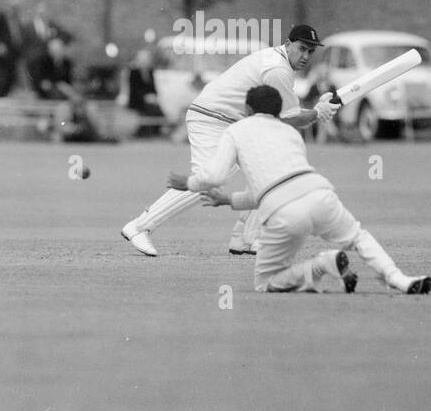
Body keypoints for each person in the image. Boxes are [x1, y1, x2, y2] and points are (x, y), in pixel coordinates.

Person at [168, 85, 431, 294]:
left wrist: (188, 183)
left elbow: (215, 176)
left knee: (266, 283)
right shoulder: (290, 133)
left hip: (283, 212)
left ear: (247, 108)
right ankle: (400, 279)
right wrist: (228, 201)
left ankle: (324, 264)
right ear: (279, 110)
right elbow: (279, 184)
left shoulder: (235, 131)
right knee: (359, 237)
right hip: (319, 194)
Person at [120, 24, 338, 258]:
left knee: (270, 172)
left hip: (231, 123)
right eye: (302, 49)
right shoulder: (278, 69)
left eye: (310, 52)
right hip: (210, 118)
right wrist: (318, 112)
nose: (305, 56)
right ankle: (140, 226)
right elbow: (291, 118)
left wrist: (317, 109)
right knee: (209, 181)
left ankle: (247, 238)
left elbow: (288, 111)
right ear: (288, 44)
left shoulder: (277, 62)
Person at [27, 37, 102, 141]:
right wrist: (59, 86)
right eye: (56, 50)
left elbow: (69, 80)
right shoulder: (43, 62)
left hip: (64, 96)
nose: (59, 53)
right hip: (48, 95)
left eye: (60, 50)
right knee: (63, 94)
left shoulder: (67, 63)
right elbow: (43, 83)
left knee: (70, 99)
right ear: (50, 51)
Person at [0, 0, 28, 97]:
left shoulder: (17, 20)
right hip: (1, 54)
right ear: (9, 7)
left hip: (13, 54)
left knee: (11, 77)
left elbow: (18, 36)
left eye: (17, 8)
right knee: (1, 78)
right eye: (14, 7)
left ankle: (4, 95)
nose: (15, 10)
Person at [126, 49, 164, 137]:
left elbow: (153, 88)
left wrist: (154, 96)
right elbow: (134, 90)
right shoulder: (134, 72)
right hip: (137, 99)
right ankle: (147, 131)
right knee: (153, 109)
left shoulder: (150, 72)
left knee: (157, 109)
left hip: (150, 100)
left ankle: (151, 130)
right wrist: (145, 97)